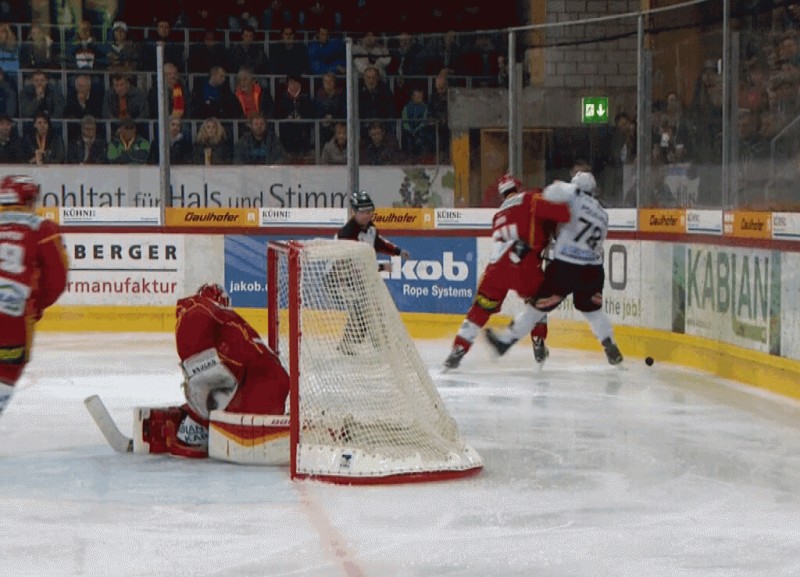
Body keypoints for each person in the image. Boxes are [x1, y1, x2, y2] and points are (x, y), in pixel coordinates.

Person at [484, 171, 624, 366]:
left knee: (536, 309)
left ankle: (505, 342)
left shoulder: (574, 195)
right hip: (593, 269)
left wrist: (558, 187)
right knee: (593, 311)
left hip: (566, 266)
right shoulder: (602, 213)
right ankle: (609, 343)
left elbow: (551, 194)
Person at [139, 283, 290, 457]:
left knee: (215, 399)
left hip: (260, 388)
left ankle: (203, 424)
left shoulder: (210, 316)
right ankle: (202, 422)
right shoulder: (230, 324)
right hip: (270, 383)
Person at [443, 174, 570, 371]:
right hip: (524, 263)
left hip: (495, 270)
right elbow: (560, 214)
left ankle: (458, 349)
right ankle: (538, 342)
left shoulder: (497, 215)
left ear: (502, 195)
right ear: (517, 187)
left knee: (479, 310)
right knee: (539, 302)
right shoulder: (530, 198)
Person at [0, 175, 69, 416]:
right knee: (5, 376)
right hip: (12, 321)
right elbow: (57, 279)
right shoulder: (41, 228)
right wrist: (36, 307)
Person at [333, 190, 410, 354]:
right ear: (354, 212)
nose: (367, 215)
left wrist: (397, 251)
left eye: (370, 211)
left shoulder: (371, 229)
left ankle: (378, 342)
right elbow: (353, 265)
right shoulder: (346, 235)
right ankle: (358, 342)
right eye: (363, 212)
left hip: (358, 277)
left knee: (372, 304)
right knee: (363, 305)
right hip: (338, 279)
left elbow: (379, 244)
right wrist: (381, 267)